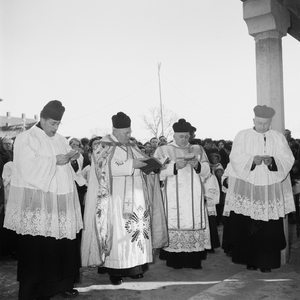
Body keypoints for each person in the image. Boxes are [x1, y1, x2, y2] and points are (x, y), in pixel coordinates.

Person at [4, 100, 83, 300]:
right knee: (39, 248)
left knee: (62, 245)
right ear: (42, 118)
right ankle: (36, 290)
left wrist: (71, 158)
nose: (55, 128)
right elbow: (25, 167)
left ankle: (61, 284)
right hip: (39, 202)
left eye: (58, 124)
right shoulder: (26, 138)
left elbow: (65, 164)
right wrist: (54, 161)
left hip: (61, 201)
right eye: (52, 124)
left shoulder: (60, 139)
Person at [81, 112, 163, 286]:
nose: (129, 135)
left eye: (129, 132)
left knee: (136, 233)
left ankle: (135, 268)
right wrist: (131, 165)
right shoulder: (102, 145)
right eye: (126, 132)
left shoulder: (131, 145)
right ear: (114, 130)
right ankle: (115, 271)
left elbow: (142, 162)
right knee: (118, 233)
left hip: (137, 198)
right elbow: (102, 168)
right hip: (115, 199)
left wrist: (152, 165)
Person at [223, 105, 295, 273]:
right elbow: (235, 157)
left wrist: (273, 161)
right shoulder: (243, 135)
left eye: (266, 124)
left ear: (271, 122)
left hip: (270, 187)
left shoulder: (277, 137)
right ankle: (250, 261)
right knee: (248, 224)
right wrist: (251, 160)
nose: (263, 127)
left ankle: (266, 262)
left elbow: (287, 158)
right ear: (254, 120)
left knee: (269, 227)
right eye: (260, 123)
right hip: (249, 186)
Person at [153, 118, 211, 269]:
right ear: (174, 135)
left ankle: (193, 260)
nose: (184, 139)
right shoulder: (163, 150)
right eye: (181, 136)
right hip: (173, 196)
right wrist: (174, 166)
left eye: (187, 136)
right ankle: (175, 261)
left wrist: (197, 165)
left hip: (194, 195)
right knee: (174, 222)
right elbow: (155, 172)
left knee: (193, 222)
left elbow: (207, 172)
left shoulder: (197, 149)